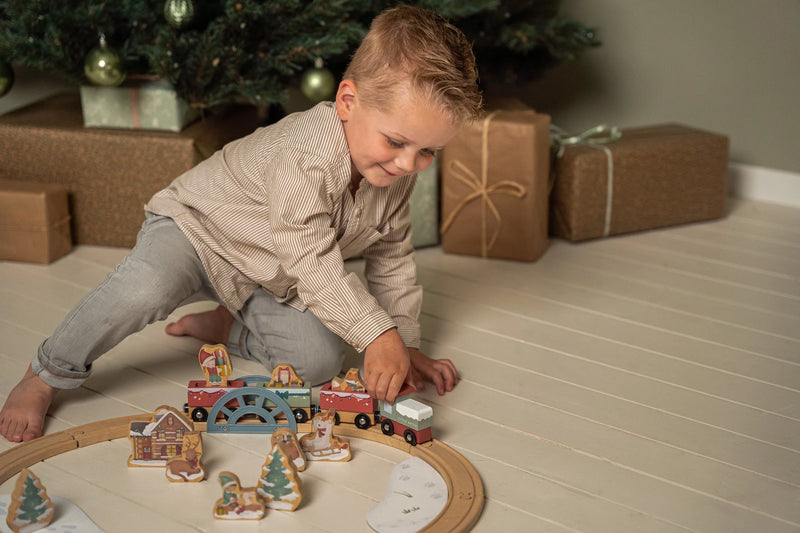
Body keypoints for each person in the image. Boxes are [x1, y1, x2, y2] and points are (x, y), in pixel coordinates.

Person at [0, 5, 483, 443]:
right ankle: (45, 374)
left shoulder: (394, 177)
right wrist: (378, 335)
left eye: (427, 152)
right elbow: (310, 259)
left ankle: (223, 323)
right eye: (397, 141)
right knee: (142, 289)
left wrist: (406, 338)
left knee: (317, 363)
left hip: (270, 274)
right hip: (199, 232)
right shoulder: (305, 153)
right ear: (347, 102)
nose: (407, 163)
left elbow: (393, 257)